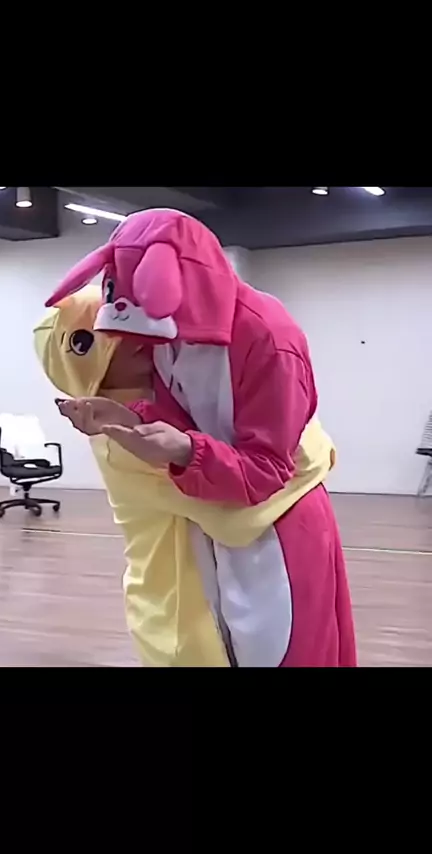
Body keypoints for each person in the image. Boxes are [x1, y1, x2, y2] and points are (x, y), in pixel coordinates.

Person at [46, 210, 356, 667]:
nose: (134, 346)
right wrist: (136, 420)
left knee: (284, 649)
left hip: (278, 525)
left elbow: (268, 468)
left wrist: (183, 449)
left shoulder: (268, 338)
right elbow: (185, 423)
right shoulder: (164, 338)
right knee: (240, 646)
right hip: (221, 535)